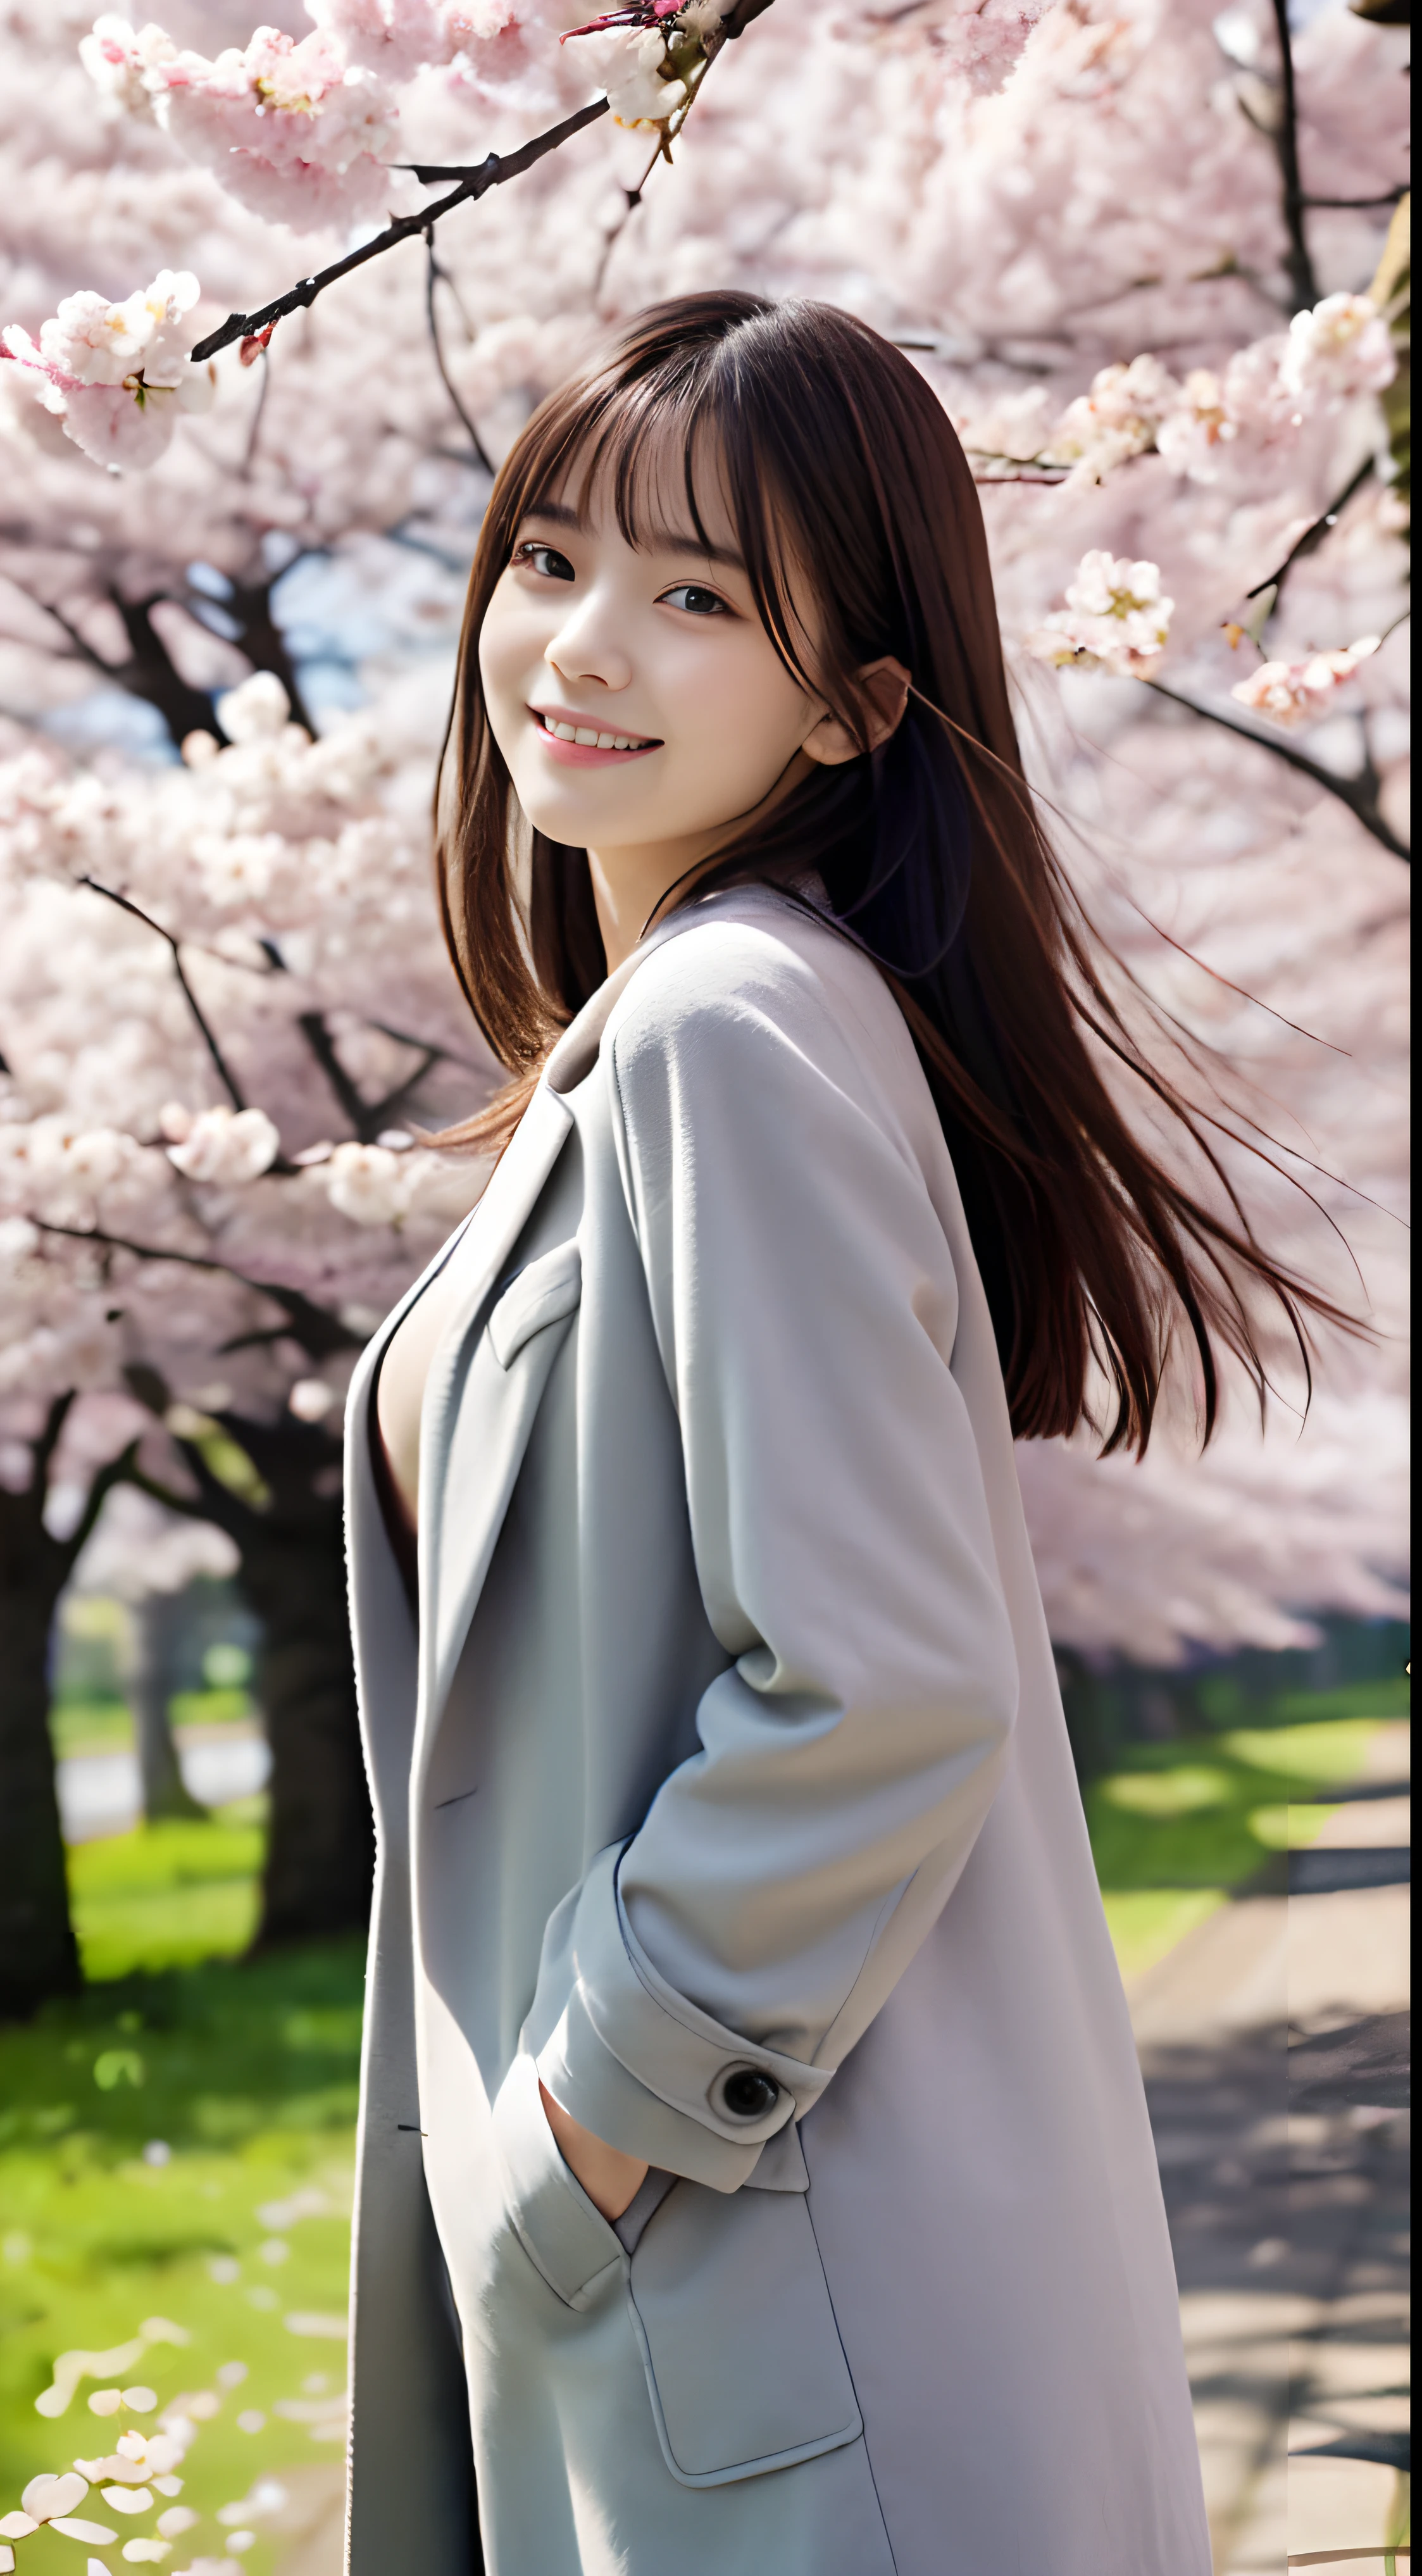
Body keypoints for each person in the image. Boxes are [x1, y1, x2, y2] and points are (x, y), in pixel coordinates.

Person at [343, 291, 1328, 2575]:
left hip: (774, 2308)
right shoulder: (712, 1026)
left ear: (846, 702)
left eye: (698, 597)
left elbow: (876, 1675)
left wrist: (585, 2122)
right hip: (754, 2300)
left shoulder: (729, 1022)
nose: (581, 644)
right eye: (551, 555)